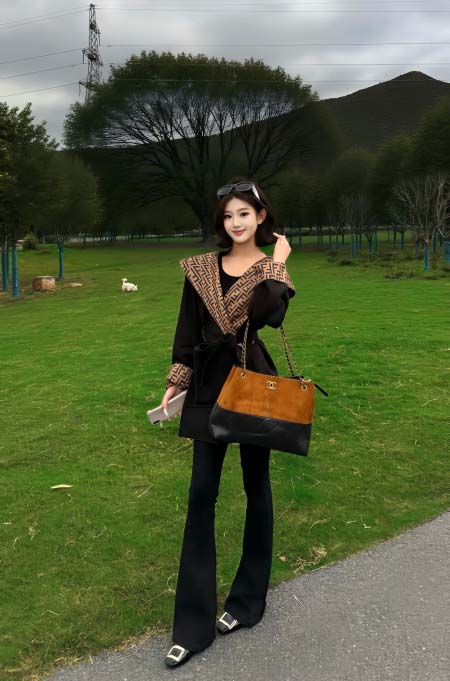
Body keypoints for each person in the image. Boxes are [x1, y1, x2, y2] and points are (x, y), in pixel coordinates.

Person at [160, 178, 296, 668]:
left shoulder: (270, 269)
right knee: (201, 494)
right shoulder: (200, 269)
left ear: (260, 217)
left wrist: (277, 263)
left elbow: (270, 315)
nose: (236, 222)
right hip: (207, 385)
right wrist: (176, 380)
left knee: (256, 487)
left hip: (252, 380)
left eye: (244, 213)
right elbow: (187, 329)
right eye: (228, 215)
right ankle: (192, 626)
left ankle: (246, 602)